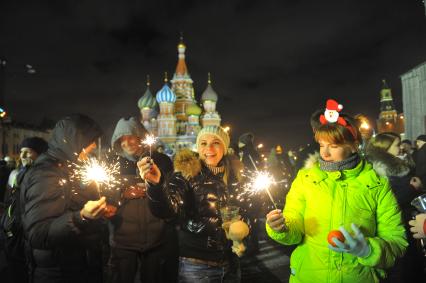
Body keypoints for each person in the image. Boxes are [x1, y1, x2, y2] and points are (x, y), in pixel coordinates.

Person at [266, 99, 408, 283]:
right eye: (321, 145)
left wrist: (368, 250)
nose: (324, 153)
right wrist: (281, 228)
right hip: (309, 276)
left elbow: (397, 240)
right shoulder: (306, 179)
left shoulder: (376, 183)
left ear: (354, 146)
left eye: (333, 146)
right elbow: (294, 227)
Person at [139, 125, 248, 283]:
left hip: (231, 262)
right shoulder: (186, 174)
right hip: (198, 265)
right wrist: (156, 185)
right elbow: (168, 211)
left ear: (224, 147)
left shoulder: (235, 176)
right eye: (203, 143)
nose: (209, 148)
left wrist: (243, 229)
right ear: (198, 147)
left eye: (216, 142)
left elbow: (247, 209)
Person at [20, 114, 108, 283]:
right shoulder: (47, 173)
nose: (93, 147)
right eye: (90, 141)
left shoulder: (68, 168)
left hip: (77, 265)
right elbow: (38, 233)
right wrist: (81, 217)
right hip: (58, 272)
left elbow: (68, 203)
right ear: (74, 141)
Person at [107, 117, 177, 283]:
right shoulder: (114, 163)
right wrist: (122, 193)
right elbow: (104, 192)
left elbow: (172, 192)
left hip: (156, 238)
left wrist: (154, 186)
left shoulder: (161, 160)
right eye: (121, 139)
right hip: (124, 239)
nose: (126, 142)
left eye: (130, 136)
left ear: (140, 136)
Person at [365, 132, 424, 282]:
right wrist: (412, 188)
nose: (401, 148)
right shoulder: (379, 170)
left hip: (409, 222)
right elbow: (389, 199)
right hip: (396, 224)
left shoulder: (398, 164)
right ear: (385, 148)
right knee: (402, 266)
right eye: (397, 145)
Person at [1, 137, 48, 283]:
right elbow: (9, 202)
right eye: (21, 152)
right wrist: (6, 223)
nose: (22, 156)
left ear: (40, 154)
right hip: (12, 235)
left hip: (28, 237)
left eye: (27, 152)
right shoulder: (16, 174)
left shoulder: (45, 177)